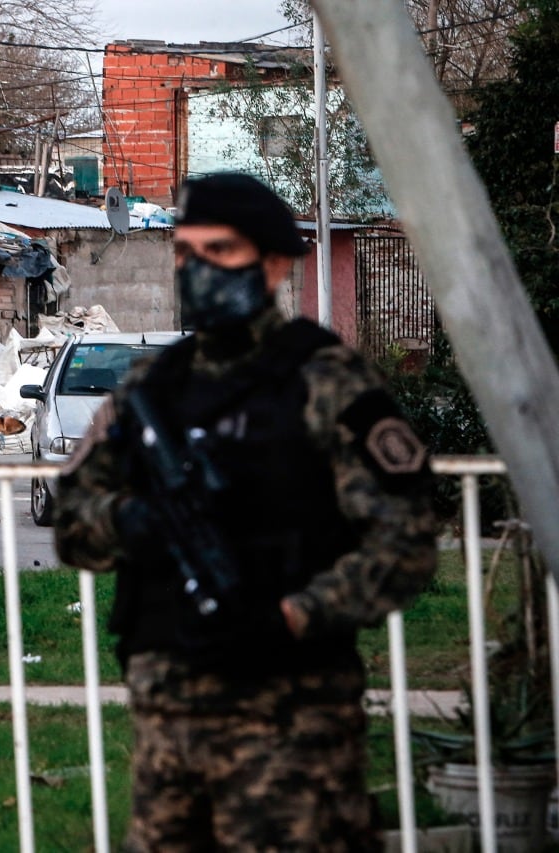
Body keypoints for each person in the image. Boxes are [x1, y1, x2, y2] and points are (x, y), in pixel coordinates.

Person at [53, 172, 438, 852]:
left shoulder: (326, 380)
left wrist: (298, 613)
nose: (196, 268)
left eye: (221, 251)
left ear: (275, 262)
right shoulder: (152, 385)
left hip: (290, 722)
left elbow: (404, 542)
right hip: (169, 717)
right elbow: (74, 518)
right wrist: (132, 521)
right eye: (185, 250)